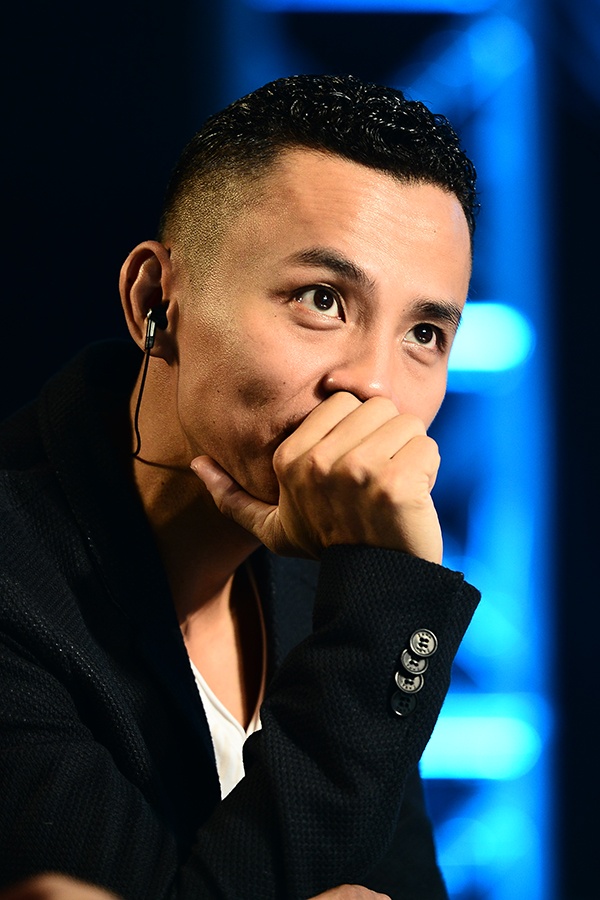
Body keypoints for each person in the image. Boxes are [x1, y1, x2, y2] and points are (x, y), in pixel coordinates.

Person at [0, 74, 480, 899]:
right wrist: (390, 600)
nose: (373, 388)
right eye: (322, 300)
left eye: (425, 333)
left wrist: (389, 591)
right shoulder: (16, 580)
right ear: (156, 301)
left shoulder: (333, 577)